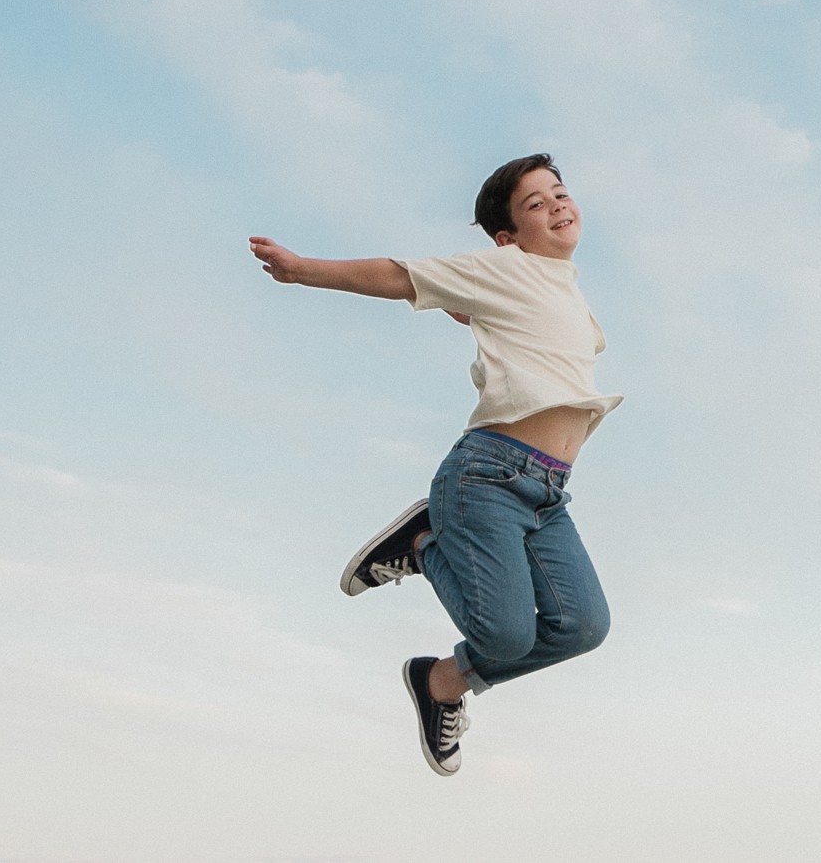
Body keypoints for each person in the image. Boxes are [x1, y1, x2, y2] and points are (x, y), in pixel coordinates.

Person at [248, 154, 621, 776]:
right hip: (489, 478)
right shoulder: (504, 266)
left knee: (582, 626)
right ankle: (425, 542)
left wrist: (477, 310)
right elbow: (398, 276)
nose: (557, 205)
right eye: (536, 203)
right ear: (508, 237)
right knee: (506, 637)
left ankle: (443, 681)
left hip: (549, 495)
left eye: (559, 193)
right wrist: (302, 269)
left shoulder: (565, 292)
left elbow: (527, 334)